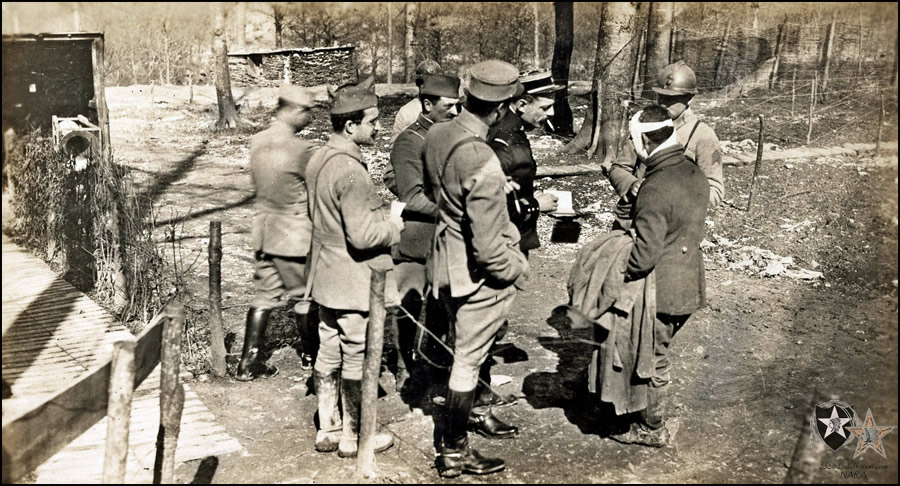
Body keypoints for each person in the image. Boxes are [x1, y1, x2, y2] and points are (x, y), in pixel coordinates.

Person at [425, 60, 529, 478]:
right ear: (503, 108)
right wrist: (516, 270)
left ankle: (464, 424)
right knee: (468, 361)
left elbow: (447, 192)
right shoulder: (481, 157)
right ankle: (453, 452)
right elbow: (489, 252)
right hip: (473, 272)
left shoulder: (438, 132)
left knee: (460, 352)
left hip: (444, 262)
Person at [305, 76, 404, 458]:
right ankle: (356, 436)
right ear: (351, 125)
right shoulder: (351, 171)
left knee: (328, 348)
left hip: (326, 275)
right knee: (357, 354)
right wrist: (394, 226)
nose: (377, 128)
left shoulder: (318, 157)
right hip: (353, 279)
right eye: (373, 121)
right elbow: (363, 236)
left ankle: (327, 427)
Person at [610, 104, 709, 447]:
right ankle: (646, 416)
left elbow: (644, 256)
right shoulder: (693, 172)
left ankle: (652, 429)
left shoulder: (655, 186)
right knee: (659, 352)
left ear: (645, 142)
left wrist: (615, 269)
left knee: (653, 357)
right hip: (688, 281)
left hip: (662, 289)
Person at [235, 85, 319, 382]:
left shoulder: (257, 140)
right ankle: (312, 357)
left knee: (265, 295)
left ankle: (248, 362)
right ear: (295, 111)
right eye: (309, 112)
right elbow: (314, 192)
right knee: (305, 297)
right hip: (293, 235)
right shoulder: (301, 150)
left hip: (265, 231)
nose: (311, 117)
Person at [384, 73, 461, 391]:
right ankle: (405, 368)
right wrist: (459, 206)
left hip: (447, 236)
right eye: (449, 106)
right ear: (427, 104)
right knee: (409, 305)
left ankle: (436, 362)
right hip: (418, 237)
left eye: (458, 106)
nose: (456, 112)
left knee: (445, 301)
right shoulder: (410, 141)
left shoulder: (451, 135)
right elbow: (412, 196)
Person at [606, 60, 723, 231]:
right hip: (632, 220)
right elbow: (618, 167)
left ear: (689, 98)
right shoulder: (644, 123)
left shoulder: (703, 135)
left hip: (673, 227)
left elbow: (715, 190)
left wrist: (677, 196)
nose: (663, 102)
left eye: (672, 99)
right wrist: (632, 185)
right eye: (661, 96)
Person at [390, 59, 442, 144]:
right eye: (421, 82)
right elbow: (395, 147)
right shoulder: (406, 112)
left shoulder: (448, 107)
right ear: (418, 84)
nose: (425, 86)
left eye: (433, 82)